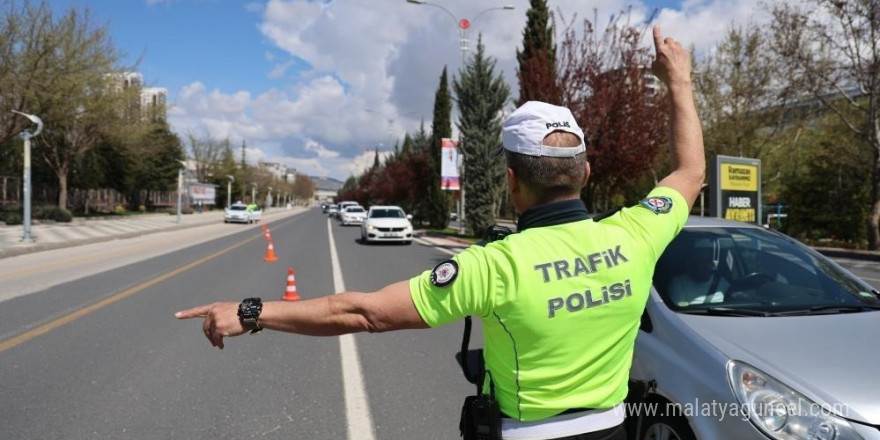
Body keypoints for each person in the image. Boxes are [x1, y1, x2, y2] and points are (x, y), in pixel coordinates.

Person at [175, 25, 704, 440]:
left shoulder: (495, 266)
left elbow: (365, 312)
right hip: (612, 429)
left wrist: (252, 312)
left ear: (511, 180)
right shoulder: (637, 234)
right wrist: (677, 79)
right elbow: (689, 173)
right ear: (585, 173)